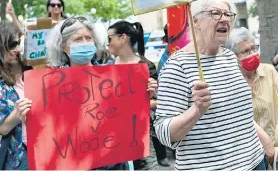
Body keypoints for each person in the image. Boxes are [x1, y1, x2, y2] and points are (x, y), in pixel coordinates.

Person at [154, 0, 267, 170]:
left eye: (228, 14)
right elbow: (164, 133)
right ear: (196, 21)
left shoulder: (229, 56)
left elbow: (238, 114)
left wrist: (264, 140)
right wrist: (196, 111)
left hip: (254, 162)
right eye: (215, 13)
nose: (224, 19)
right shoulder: (177, 66)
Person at [46, 16, 124, 170]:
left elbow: (126, 114)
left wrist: (143, 97)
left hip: (112, 162)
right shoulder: (51, 85)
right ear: (63, 46)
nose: (85, 43)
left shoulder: (112, 77)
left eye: (88, 38)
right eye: (78, 39)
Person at [226, 27, 278, 170]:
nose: (252, 54)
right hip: (248, 154)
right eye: (245, 51)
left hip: (277, 147)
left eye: (253, 48)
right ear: (232, 56)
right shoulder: (231, 81)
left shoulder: (268, 71)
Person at [107, 20, 160, 170]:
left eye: (109, 38)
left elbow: (158, 102)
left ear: (123, 38)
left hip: (140, 133)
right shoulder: (107, 67)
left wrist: (150, 95)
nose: (107, 43)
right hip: (113, 135)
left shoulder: (145, 66)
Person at [0, 22, 32, 170]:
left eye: (19, 43)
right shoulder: (1, 84)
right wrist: (17, 113)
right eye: (12, 45)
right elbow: (3, 129)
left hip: (46, 147)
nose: (17, 49)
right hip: (20, 155)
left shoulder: (32, 70)